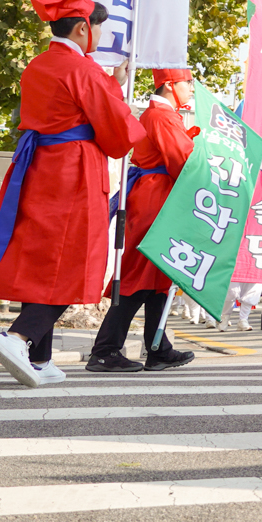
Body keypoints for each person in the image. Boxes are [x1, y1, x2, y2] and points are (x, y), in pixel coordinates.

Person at [0, 0, 143, 387]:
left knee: (41, 260)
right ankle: (18, 337)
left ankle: (40, 357)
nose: (100, 34)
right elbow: (119, 135)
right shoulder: (83, 69)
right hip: (73, 170)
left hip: (38, 168)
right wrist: (115, 88)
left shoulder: (38, 65)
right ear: (84, 27)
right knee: (75, 258)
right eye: (99, 26)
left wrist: (110, 83)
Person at [86, 66, 200, 373]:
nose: (192, 88)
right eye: (188, 82)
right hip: (156, 198)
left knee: (157, 277)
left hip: (154, 195)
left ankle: (157, 348)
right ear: (170, 85)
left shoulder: (159, 114)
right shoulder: (162, 116)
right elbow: (183, 161)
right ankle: (105, 350)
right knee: (140, 275)